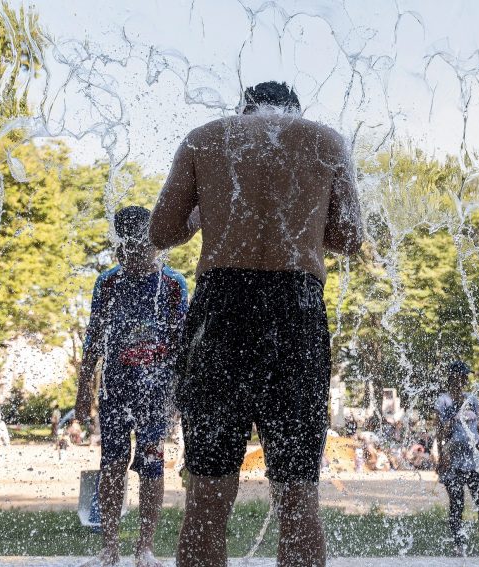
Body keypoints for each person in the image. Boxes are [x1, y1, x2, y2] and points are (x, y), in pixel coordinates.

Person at [149, 80, 362, 567]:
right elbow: (350, 237)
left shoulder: (207, 137)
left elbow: (161, 231)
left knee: (206, 497)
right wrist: (302, 219)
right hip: (297, 307)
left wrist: (209, 212)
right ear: (296, 111)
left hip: (221, 307)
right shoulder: (324, 140)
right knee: (297, 496)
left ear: (243, 111)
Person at [75, 206, 189, 567]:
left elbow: (182, 346)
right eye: (127, 248)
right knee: (112, 463)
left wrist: (177, 396)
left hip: (156, 392)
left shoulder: (173, 284)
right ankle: (110, 546)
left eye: (143, 245)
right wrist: (84, 390)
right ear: (119, 247)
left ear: (156, 242)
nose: (135, 254)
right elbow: (93, 339)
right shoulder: (108, 282)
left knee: (153, 465)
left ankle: (145, 547)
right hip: (116, 389)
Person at [434, 360, 479, 556]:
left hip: (474, 462)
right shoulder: (443, 401)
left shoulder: (472, 399)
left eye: (465, 376)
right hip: (453, 461)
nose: (464, 379)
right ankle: (458, 546)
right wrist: (441, 455)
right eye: (462, 375)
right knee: (457, 504)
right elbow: (439, 431)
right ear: (454, 376)